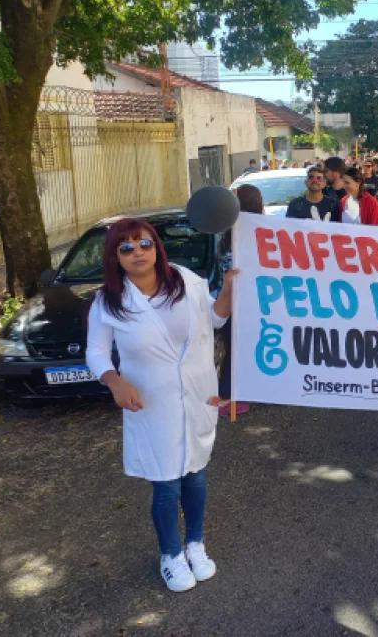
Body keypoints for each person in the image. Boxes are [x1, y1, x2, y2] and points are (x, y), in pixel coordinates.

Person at [86, 218, 238, 592]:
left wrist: (229, 292)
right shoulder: (108, 301)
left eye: (145, 244)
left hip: (197, 393)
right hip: (150, 402)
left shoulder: (186, 280)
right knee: (167, 483)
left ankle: (195, 544)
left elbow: (216, 318)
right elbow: (97, 352)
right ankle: (170, 555)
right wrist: (115, 381)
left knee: (196, 474)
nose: (138, 252)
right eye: (126, 248)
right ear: (115, 257)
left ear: (157, 247)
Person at [216, 185, 263, 417]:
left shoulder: (226, 233)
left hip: (232, 302)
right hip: (249, 303)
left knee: (235, 350)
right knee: (240, 350)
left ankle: (232, 395)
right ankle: (229, 397)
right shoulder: (256, 233)